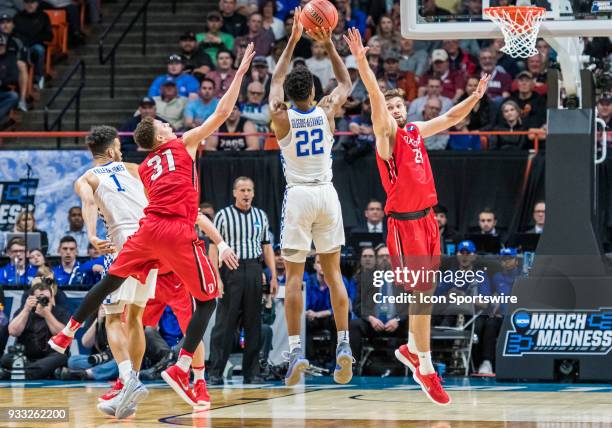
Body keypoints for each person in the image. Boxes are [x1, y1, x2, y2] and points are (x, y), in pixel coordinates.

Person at [48, 43, 255, 415]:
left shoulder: (142, 168)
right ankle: (181, 367)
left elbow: (97, 193)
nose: (169, 125)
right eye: (164, 125)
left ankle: (69, 332)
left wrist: (94, 230)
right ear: (161, 138)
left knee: (114, 293)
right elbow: (222, 112)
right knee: (206, 302)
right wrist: (239, 74)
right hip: (173, 234)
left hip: (146, 234)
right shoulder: (180, 146)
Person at [345, 27, 490, 406]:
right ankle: (423, 365)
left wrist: (473, 96)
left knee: (426, 293)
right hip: (405, 222)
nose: (393, 110)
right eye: (389, 108)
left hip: (427, 221)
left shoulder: (415, 131)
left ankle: (413, 350)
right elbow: (376, 101)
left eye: (397, 107)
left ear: (405, 108)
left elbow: (453, 117)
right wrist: (363, 63)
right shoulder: (386, 137)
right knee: (422, 295)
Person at [269, 9, 353, 386]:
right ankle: (344, 345)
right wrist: (330, 43)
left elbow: (276, 76)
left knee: (294, 280)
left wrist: (293, 39)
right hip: (327, 194)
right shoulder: (327, 110)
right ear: (315, 93)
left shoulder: (280, 116)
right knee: (334, 274)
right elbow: (346, 80)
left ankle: (296, 351)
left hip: (299, 195)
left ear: (288, 95)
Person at [208, 177, 277, 385]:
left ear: (253, 193)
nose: (246, 194)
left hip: (254, 269)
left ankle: (252, 373)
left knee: (254, 324)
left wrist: (272, 274)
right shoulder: (223, 216)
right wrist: (216, 277)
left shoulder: (260, 216)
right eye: (242, 190)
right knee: (225, 324)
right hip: (231, 269)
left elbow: (266, 247)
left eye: (249, 190)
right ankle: (215, 372)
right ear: (234, 193)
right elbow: (213, 248)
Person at [349, 246, 408, 363]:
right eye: (381, 256)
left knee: (416, 326)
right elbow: (357, 306)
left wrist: (397, 319)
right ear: (376, 259)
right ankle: (353, 366)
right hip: (373, 324)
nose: (385, 259)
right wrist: (371, 318)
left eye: (388, 256)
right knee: (354, 325)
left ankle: (417, 368)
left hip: (397, 325)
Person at [2, 282, 69, 379]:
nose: (43, 301)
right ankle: (41, 372)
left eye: (46, 298)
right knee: (6, 359)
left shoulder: (60, 312)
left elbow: (62, 336)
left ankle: (19, 374)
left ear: (52, 298)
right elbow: (13, 331)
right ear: (31, 298)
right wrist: (26, 309)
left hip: (49, 357)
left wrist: (47, 314)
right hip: (25, 358)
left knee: (62, 357)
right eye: (39, 298)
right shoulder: (24, 311)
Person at [13, 0, 51, 89]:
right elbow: (13, 34)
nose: (30, 5)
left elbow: (49, 35)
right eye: (27, 2)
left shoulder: (43, 16)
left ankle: (37, 79)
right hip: (21, 45)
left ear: (37, 3)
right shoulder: (17, 17)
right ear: (24, 4)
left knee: (39, 49)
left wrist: (35, 39)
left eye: (32, 2)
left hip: (36, 44)